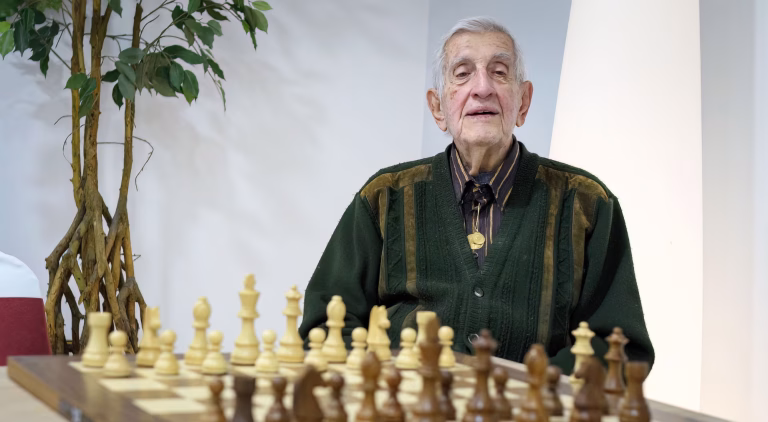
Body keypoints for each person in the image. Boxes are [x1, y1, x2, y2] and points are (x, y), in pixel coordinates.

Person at [298, 17, 653, 372]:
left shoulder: (587, 204)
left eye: (499, 72)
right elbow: (327, 323)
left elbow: (619, 346)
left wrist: (531, 392)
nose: (482, 88)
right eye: (462, 73)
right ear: (438, 108)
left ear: (524, 102)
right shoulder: (384, 197)